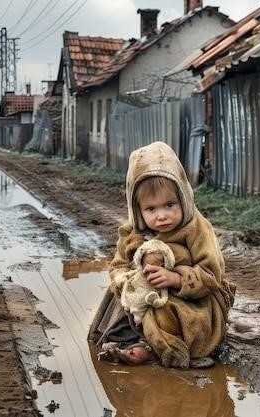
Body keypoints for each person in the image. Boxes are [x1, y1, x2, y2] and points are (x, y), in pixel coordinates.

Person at [89, 141, 236, 368]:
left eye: (170, 205)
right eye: (151, 209)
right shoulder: (133, 234)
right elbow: (117, 267)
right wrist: (128, 287)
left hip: (191, 301)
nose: (162, 216)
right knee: (118, 305)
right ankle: (136, 340)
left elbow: (211, 275)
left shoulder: (197, 228)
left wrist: (175, 279)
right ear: (137, 210)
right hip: (142, 302)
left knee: (170, 312)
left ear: (183, 197)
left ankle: (151, 347)